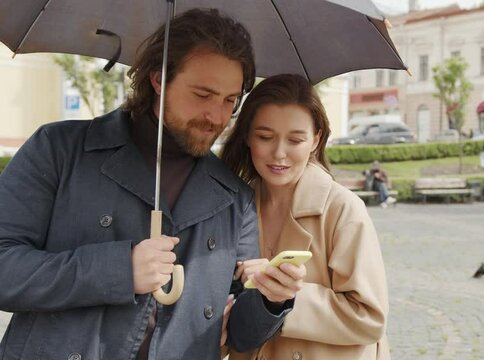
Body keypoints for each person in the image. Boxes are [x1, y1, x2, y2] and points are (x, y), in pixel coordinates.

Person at [0, 9, 305, 360]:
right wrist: (118, 270)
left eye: (229, 101)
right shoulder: (59, 149)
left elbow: (238, 336)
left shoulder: (236, 197)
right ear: (159, 79)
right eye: (203, 94)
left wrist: (271, 299)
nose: (216, 117)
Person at [220, 74, 390, 359]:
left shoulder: (342, 209)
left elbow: (370, 317)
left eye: (296, 140)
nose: (279, 154)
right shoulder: (231, 207)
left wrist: (282, 297)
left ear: (316, 139)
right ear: (247, 136)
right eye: (265, 137)